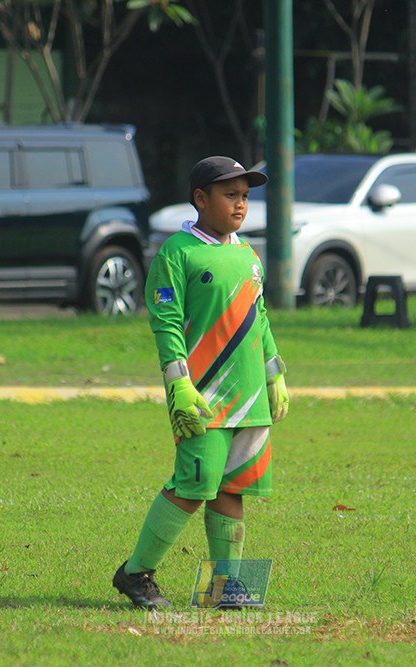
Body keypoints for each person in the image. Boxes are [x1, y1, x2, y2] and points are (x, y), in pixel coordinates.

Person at [112, 156, 289, 609]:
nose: (241, 204)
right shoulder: (178, 253)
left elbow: (261, 316)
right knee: (194, 485)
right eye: (230, 194)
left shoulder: (248, 254)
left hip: (250, 397)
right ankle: (135, 573)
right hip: (203, 395)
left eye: (246, 195)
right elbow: (166, 323)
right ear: (200, 199)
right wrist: (178, 384)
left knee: (234, 488)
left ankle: (225, 586)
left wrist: (274, 374)